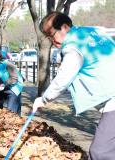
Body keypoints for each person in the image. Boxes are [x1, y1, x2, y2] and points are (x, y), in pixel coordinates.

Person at [33, 11, 115, 160]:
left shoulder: (73, 47)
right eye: (48, 37)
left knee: (100, 152)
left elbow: (63, 79)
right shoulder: (93, 31)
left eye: (52, 35)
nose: (52, 41)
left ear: (64, 27)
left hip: (113, 101)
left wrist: (43, 99)